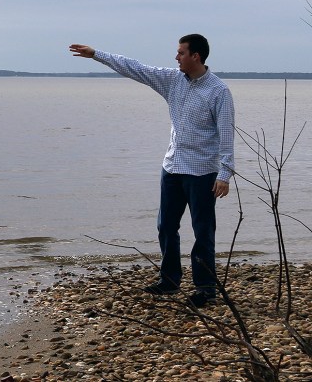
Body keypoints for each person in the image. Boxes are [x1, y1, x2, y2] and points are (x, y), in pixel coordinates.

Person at [69, 34, 235, 308]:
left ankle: (205, 288)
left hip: (202, 172)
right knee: (166, 226)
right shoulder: (172, 81)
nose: (176, 57)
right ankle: (169, 280)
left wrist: (225, 174)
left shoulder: (219, 91)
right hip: (172, 168)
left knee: (203, 231)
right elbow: (135, 67)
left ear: (196, 56)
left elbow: (226, 135)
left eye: (181, 52)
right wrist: (96, 54)